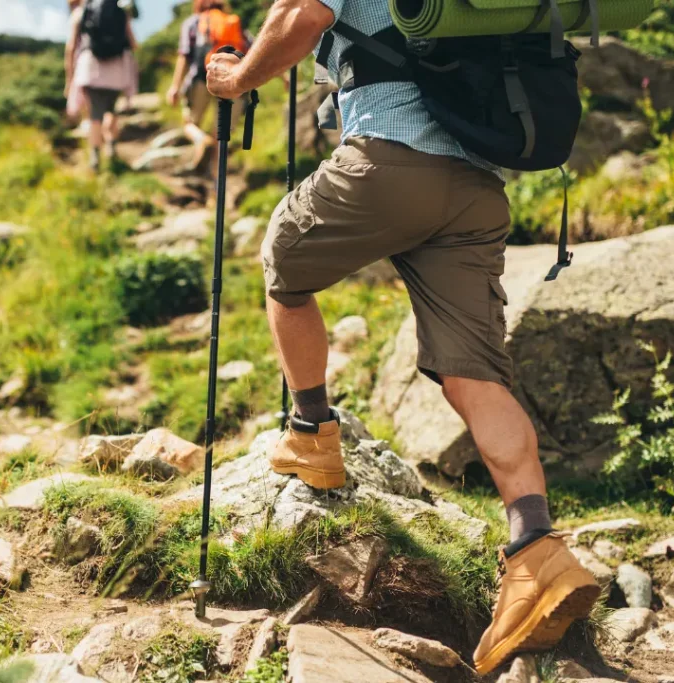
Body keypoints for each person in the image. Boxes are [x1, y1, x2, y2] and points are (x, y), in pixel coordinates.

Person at [204, 0, 600, 675]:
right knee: (474, 371)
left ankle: (311, 433)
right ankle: (536, 547)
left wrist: (240, 75)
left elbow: (302, 13)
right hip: (475, 189)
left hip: (390, 162)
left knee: (284, 259)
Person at [166, 0, 251, 172]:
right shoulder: (233, 21)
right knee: (221, 136)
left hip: (201, 77)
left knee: (189, 123)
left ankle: (200, 140)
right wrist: (283, 77)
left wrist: (175, 86)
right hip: (230, 80)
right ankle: (215, 181)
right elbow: (254, 50)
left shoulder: (193, 22)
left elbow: (184, 55)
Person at [65, 0, 139, 170]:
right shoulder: (120, 11)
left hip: (91, 68)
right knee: (111, 110)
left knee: (95, 116)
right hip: (116, 70)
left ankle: (95, 157)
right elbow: (133, 44)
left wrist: (69, 78)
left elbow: (71, 48)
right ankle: (111, 148)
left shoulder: (81, 13)